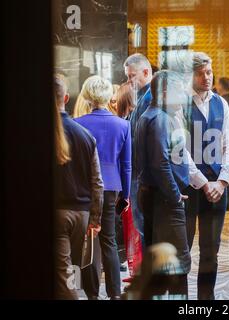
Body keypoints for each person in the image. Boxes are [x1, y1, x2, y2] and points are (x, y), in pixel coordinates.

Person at [183, 52, 229, 300]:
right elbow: (179, 151)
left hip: (218, 185)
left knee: (210, 251)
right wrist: (204, 183)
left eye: (209, 72)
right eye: (201, 73)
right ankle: (181, 298)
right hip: (189, 187)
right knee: (182, 250)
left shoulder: (221, 103)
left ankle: (207, 299)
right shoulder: (181, 105)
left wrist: (223, 180)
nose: (207, 77)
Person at [74, 75, 132, 300]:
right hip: (112, 187)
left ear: (88, 95)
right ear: (110, 96)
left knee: (89, 239)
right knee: (109, 240)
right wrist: (125, 195)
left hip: (85, 188)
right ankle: (115, 294)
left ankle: (91, 294)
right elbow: (126, 165)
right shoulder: (123, 125)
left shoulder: (78, 124)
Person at [135, 70, 192, 297]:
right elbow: (160, 164)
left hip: (155, 195)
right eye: (180, 92)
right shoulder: (159, 118)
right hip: (164, 199)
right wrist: (176, 195)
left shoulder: (151, 115)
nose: (184, 97)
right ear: (166, 93)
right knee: (179, 263)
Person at [53, 75, 104, 300]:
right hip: (81, 215)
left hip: (57, 214)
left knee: (64, 277)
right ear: (66, 97)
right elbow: (97, 183)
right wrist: (95, 218)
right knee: (70, 270)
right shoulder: (85, 134)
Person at [123, 53, 153, 242]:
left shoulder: (149, 98)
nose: (128, 81)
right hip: (139, 172)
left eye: (131, 76)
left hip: (142, 173)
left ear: (145, 72)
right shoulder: (143, 96)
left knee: (145, 227)